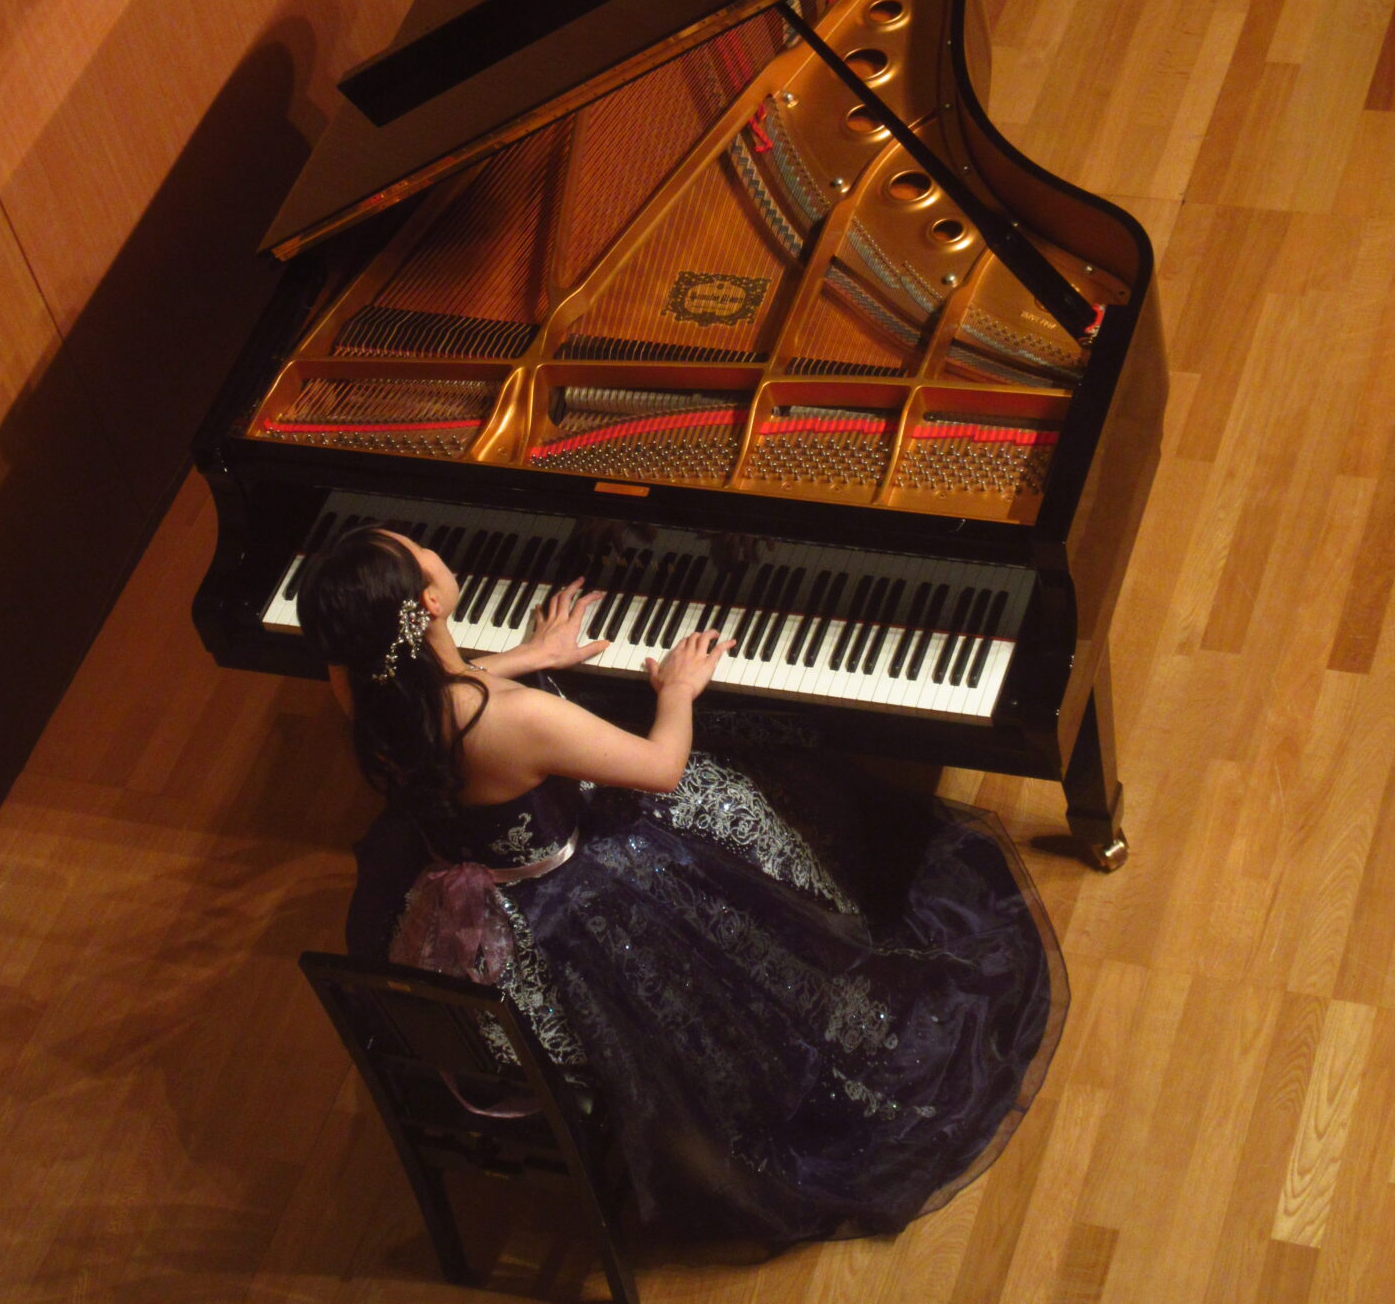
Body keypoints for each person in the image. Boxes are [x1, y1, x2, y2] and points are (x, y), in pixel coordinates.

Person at [299, 523, 1066, 1245]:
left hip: (478, 911)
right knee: (732, 812)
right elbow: (660, 767)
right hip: (569, 908)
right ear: (432, 602)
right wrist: (677, 690)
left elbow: (442, 696)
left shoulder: (362, 689)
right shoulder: (514, 719)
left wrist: (527, 654)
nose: (432, 549)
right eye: (422, 551)